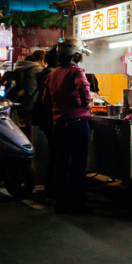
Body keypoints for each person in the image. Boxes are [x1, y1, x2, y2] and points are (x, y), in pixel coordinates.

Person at [43, 38, 92, 214]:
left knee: (61, 164)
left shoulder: (52, 74)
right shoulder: (76, 71)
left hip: (58, 124)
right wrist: (86, 103)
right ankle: (79, 205)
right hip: (77, 124)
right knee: (78, 166)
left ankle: (61, 204)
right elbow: (84, 87)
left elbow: (45, 100)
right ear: (77, 56)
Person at [32, 46, 58, 200]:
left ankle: (51, 190)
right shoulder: (52, 75)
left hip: (45, 118)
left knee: (54, 155)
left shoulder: (45, 73)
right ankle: (53, 192)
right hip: (52, 118)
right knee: (56, 156)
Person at [10, 53, 43, 128]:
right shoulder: (37, 69)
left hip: (19, 103)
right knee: (31, 129)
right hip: (32, 104)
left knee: (20, 127)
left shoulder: (18, 68)